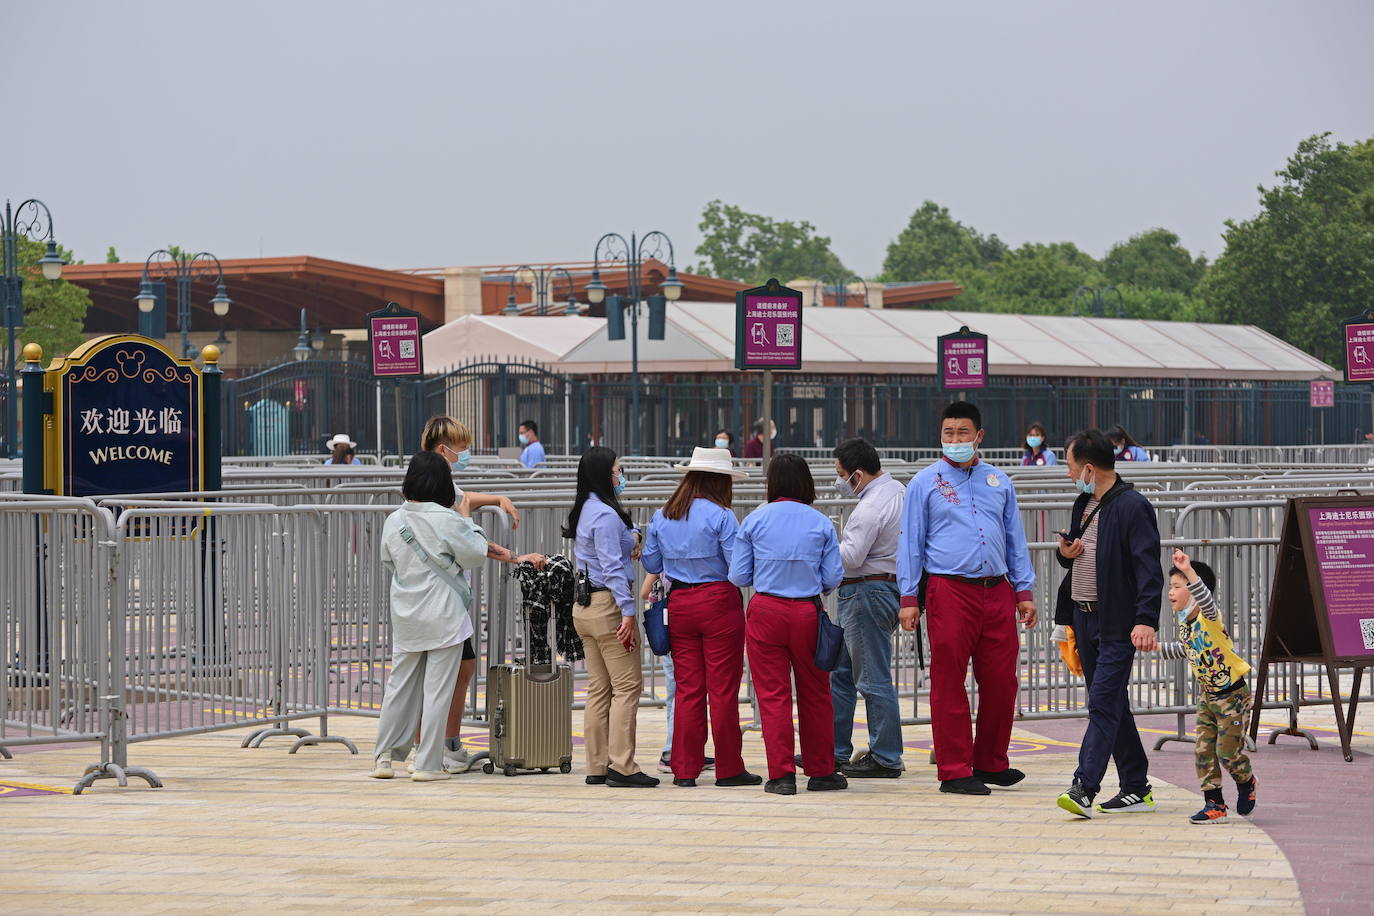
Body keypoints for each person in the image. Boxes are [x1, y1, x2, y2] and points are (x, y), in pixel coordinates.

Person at [897, 402, 1037, 795]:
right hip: (949, 590)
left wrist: (1023, 590)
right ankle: (955, 769)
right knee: (948, 682)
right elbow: (911, 541)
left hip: (997, 591)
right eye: (948, 433)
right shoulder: (925, 483)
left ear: (979, 436)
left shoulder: (1000, 481)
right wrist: (909, 596)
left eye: (962, 433)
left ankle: (992, 761)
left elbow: (1014, 539)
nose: (955, 439)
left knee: (1001, 682)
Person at [418, 416, 543, 774]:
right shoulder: (438, 491)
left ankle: (431, 744)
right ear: (445, 449)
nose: (465, 453)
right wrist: (517, 557)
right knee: (453, 668)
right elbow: (466, 537)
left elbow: (465, 498)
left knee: (445, 668)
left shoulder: (432, 482)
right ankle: (443, 744)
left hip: (433, 596)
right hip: (442, 597)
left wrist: (497, 497)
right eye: (461, 447)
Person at [1053, 428, 1163, 819]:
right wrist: (1065, 553)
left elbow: (1149, 568)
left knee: (1101, 702)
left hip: (1116, 622)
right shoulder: (1083, 503)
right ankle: (1136, 785)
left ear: (1087, 466)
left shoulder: (1133, 506)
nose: (1068, 474)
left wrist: (1146, 619)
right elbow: (1076, 558)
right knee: (1113, 703)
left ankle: (1084, 786)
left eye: (1068, 465)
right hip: (1084, 620)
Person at [729, 453, 846, 796]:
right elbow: (833, 576)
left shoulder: (754, 520)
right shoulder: (821, 522)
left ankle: (781, 775)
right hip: (808, 612)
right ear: (806, 483)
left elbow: (738, 574)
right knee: (816, 694)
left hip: (766, 609)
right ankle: (822, 771)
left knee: (773, 695)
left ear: (772, 483)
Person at [641, 447, 758, 788]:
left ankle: (684, 768)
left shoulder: (663, 514)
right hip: (718, 601)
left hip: (679, 602)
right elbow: (738, 571)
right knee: (722, 690)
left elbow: (650, 563)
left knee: (688, 690)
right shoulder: (722, 516)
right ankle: (728, 768)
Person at [371, 451, 489, 781]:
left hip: (407, 616)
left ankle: (383, 757)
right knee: (437, 690)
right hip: (444, 616)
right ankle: (427, 763)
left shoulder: (393, 520)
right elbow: (476, 554)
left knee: (399, 687)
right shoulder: (447, 519)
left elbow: (389, 562)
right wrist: (468, 520)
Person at [565, 446, 658, 787]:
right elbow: (612, 567)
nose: (622, 476)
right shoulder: (604, 516)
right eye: (619, 470)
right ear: (607, 474)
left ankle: (597, 764)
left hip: (585, 607)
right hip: (607, 606)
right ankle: (623, 765)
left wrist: (632, 537)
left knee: (599, 688)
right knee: (627, 687)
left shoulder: (588, 509)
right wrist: (629, 613)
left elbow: (612, 550)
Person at [1155, 549, 1257, 824]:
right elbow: (1187, 649)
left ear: (1194, 590)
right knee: (1202, 750)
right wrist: (1156, 647)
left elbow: (1206, 599)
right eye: (1171, 587)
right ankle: (1215, 804)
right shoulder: (1185, 625)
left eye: (1177, 587)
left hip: (1233, 696)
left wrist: (1188, 570)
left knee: (1227, 752)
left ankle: (1246, 781)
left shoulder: (1209, 617)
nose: (1170, 593)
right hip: (1208, 695)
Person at [830, 438, 907, 779]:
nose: (839, 481)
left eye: (841, 474)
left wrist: (824, 546)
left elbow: (851, 557)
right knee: (842, 674)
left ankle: (886, 756)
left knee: (871, 676)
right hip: (884, 588)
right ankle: (833, 750)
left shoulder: (870, 507)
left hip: (864, 592)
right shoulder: (899, 492)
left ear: (857, 475)